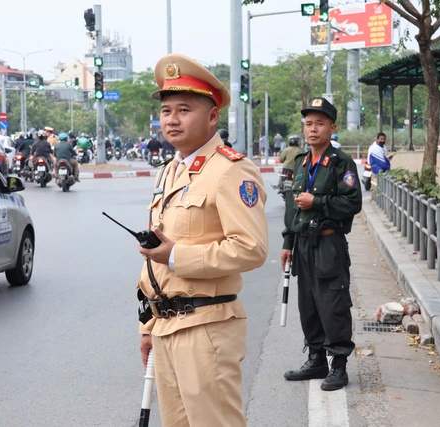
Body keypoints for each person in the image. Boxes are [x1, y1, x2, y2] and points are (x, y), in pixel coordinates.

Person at [136, 53, 268, 427]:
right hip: (165, 326)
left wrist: (177, 256)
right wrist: (148, 326)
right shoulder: (169, 171)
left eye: (183, 110)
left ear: (212, 116)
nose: (171, 120)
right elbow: (154, 253)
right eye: (166, 111)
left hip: (206, 328)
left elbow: (251, 248)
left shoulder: (231, 171)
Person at [280, 97, 362, 391]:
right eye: (308, 123)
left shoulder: (342, 163)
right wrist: (288, 242)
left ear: (332, 127)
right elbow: (292, 208)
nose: (312, 129)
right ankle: (316, 360)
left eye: (319, 123)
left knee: (333, 304)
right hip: (303, 245)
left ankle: (338, 366)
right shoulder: (302, 162)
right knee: (309, 305)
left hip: (329, 245)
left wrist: (318, 202)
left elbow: (353, 202)